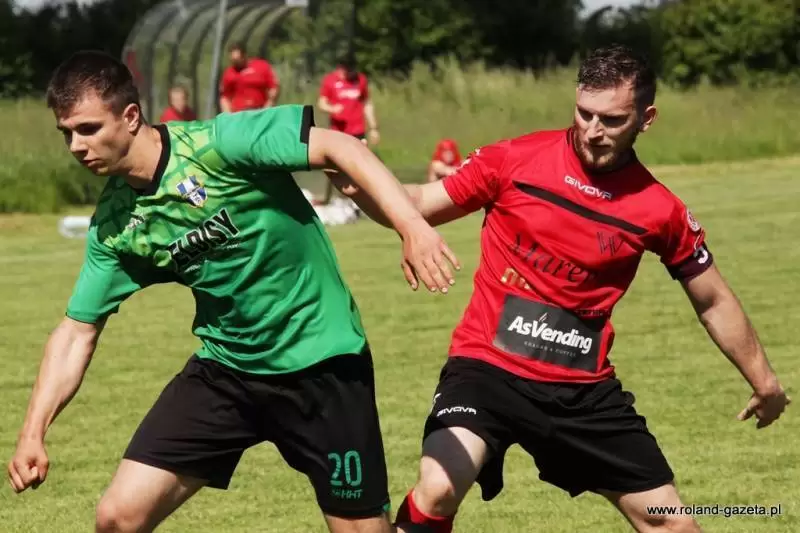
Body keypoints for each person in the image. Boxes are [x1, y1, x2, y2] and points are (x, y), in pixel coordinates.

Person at [333, 45, 791, 533]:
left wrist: (764, 381)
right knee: (438, 486)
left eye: (612, 119)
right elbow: (420, 200)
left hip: (582, 391)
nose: (593, 130)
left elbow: (713, 300)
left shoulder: (660, 209)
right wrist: (361, 179)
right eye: (584, 113)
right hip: (486, 370)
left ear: (646, 118)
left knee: (670, 522)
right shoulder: (515, 159)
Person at [7, 50, 459, 533]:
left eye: (88, 129)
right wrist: (33, 432)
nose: (76, 146)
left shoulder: (220, 144)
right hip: (227, 372)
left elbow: (341, 147)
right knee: (117, 519)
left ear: (131, 116)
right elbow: (76, 332)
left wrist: (411, 226)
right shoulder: (115, 227)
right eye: (67, 133)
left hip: (321, 362)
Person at [318, 55, 380, 147]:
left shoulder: (361, 80)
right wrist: (332, 108)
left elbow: (367, 104)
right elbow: (321, 103)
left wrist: (373, 128)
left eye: (350, 70)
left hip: (357, 130)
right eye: (344, 70)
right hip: (338, 131)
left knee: (359, 154)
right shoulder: (330, 80)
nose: (346, 74)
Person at [219, 42, 279, 113]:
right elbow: (225, 97)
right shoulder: (229, 73)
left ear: (244, 55)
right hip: (239, 113)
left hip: (260, 110)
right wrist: (228, 115)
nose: (236, 64)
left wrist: (268, 107)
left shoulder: (261, 66)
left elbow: (273, 87)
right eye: (234, 61)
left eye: (238, 60)